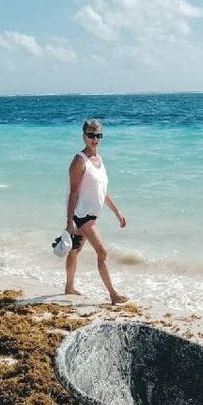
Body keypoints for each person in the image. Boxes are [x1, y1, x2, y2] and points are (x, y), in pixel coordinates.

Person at [65, 118, 128, 304]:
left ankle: (68, 287)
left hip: (92, 214)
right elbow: (73, 193)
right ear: (84, 136)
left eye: (98, 135)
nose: (95, 139)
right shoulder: (79, 161)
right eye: (91, 135)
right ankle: (113, 294)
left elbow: (102, 191)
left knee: (75, 250)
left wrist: (117, 213)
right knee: (102, 252)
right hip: (83, 215)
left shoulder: (99, 159)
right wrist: (70, 221)